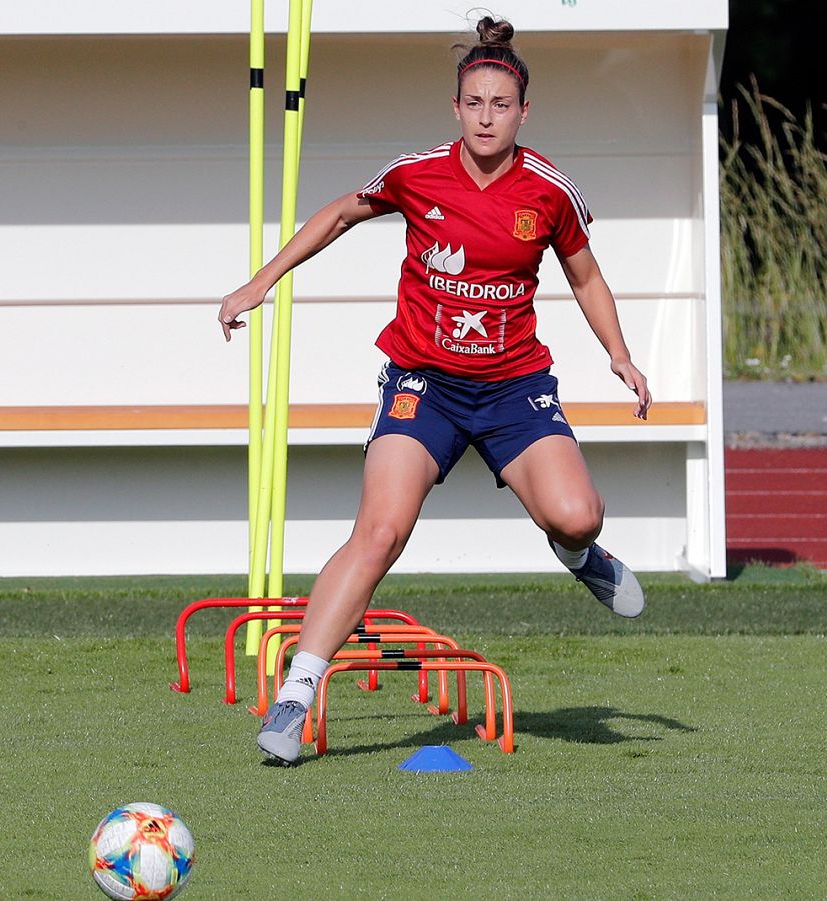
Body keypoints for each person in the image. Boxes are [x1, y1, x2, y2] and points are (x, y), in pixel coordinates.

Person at [218, 16, 653, 765]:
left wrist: (620, 355)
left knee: (579, 515)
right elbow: (341, 214)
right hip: (423, 384)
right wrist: (262, 281)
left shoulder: (549, 190)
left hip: (514, 387)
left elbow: (586, 277)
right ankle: (296, 694)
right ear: (456, 108)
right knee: (380, 532)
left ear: (523, 113)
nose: (487, 117)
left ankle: (581, 555)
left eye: (501, 105)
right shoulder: (416, 175)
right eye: (474, 103)